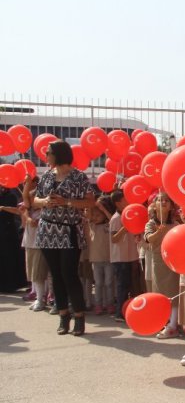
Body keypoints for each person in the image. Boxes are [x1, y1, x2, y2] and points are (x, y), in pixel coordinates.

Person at [32, 140, 95, 335]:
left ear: (59, 154)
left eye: (49, 152)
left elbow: (90, 202)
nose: (46, 156)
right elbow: (34, 200)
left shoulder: (78, 177)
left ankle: (79, 316)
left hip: (69, 231)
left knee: (69, 274)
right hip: (47, 230)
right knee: (55, 275)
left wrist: (66, 202)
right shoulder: (47, 176)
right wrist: (44, 202)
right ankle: (63, 315)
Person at [144, 192, 181, 339]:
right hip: (158, 261)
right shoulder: (151, 224)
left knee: (173, 293)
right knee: (160, 293)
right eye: (159, 200)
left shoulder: (176, 224)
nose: (163, 202)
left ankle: (173, 325)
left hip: (173, 261)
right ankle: (163, 322)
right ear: (154, 205)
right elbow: (148, 239)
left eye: (166, 200)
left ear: (171, 206)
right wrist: (158, 232)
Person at [109, 190, 139, 322]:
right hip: (120, 257)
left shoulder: (128, 215)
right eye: (125, 198)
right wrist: (125, 228)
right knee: (122, 285)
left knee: (130, 284)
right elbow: (114, 238)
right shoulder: (116, 218)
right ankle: (119, 313)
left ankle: (128, 310)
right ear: (118, 203)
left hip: (131, 255)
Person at [20, 176, 49, 310]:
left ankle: (42, 299)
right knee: (32, 273)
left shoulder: (44, 211)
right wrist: (27, 183)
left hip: (40, 244)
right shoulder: (28, 211)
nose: (31, 201)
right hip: (29, 243)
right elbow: (25, 196)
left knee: (39, 274)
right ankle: (38, 297)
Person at [89, 196, 115, 315]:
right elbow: (88, 213)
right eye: (94, 215)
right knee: (98, 283)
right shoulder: (92, 225)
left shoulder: (109, 225)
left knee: (109, 283)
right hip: (96, 259)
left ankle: (109, 304)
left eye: (98, 215)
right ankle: (98, 304)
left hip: (109, 258)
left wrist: (103, 209)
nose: (95, 218)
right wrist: (93, 205)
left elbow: (113, 220)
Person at [0, 181, 26, 293]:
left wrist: (3, 208)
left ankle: (10, 284)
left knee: (9, 257)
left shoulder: (11, 195)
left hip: (8, 230)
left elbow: (15, 212)